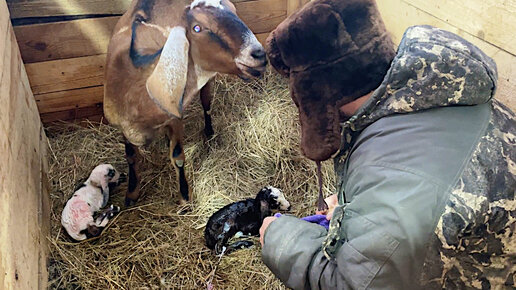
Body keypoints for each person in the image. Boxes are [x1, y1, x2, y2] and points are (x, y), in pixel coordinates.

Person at [259, 0, 516, 289]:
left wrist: (280, 238)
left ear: (315, 98)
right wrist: (351, 207)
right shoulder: (431, 88)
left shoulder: (397, 187)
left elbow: (356, 283)